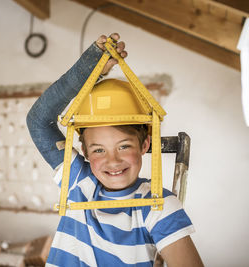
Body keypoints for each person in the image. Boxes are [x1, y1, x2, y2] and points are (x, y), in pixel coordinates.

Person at [26, 33, 203, 266]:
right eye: (98, 150)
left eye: (124, 146)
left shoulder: (157, 205)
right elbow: (39, 120)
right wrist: (89, 66)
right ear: (85, 152)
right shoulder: (78, 181)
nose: (113, 161)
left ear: (145, 145)